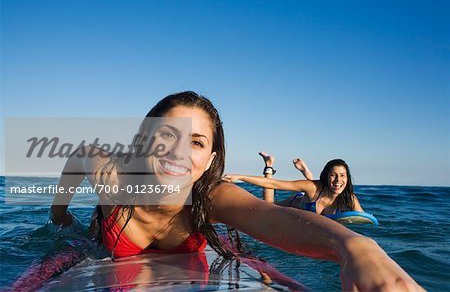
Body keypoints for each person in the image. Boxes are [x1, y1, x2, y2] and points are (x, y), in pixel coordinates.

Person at [51, 91, 422, 291]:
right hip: (102, 244)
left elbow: (276, 219)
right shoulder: (114, 180)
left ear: (210, 157)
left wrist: (356, 247)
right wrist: (59, 214)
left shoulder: (211, 196)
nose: (179, 151)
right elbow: (79, 155)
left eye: (196, 143)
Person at [225, 153, 364, 215]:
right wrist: (240, 177)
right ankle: (269, 163)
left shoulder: (349, 198)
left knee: (309, 188)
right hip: (297, 202)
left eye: (342, 176)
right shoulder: (314, 188)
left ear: (348, 178)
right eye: (333, 175)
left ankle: (305, 172)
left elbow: (365, 220)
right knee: (266, 206)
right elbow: (274, 184)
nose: (338, 180)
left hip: (311, 196)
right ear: (326, 176)